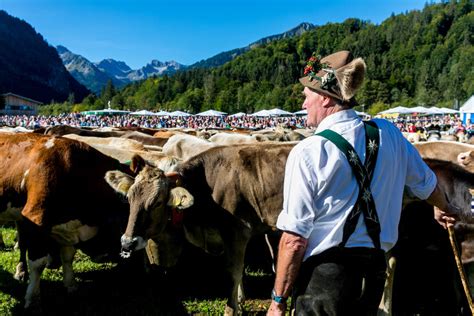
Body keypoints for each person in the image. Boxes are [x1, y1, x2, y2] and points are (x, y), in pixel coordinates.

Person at [267, 50, 457, 316]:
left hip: (324, 282)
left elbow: (294, 240)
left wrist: (278, 301)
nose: (303, 102)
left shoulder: (310, 151)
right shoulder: (390, 133)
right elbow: (427, 184)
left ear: (324, 98)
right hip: (373, 277)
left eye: (307, 94)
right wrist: (443, 206)